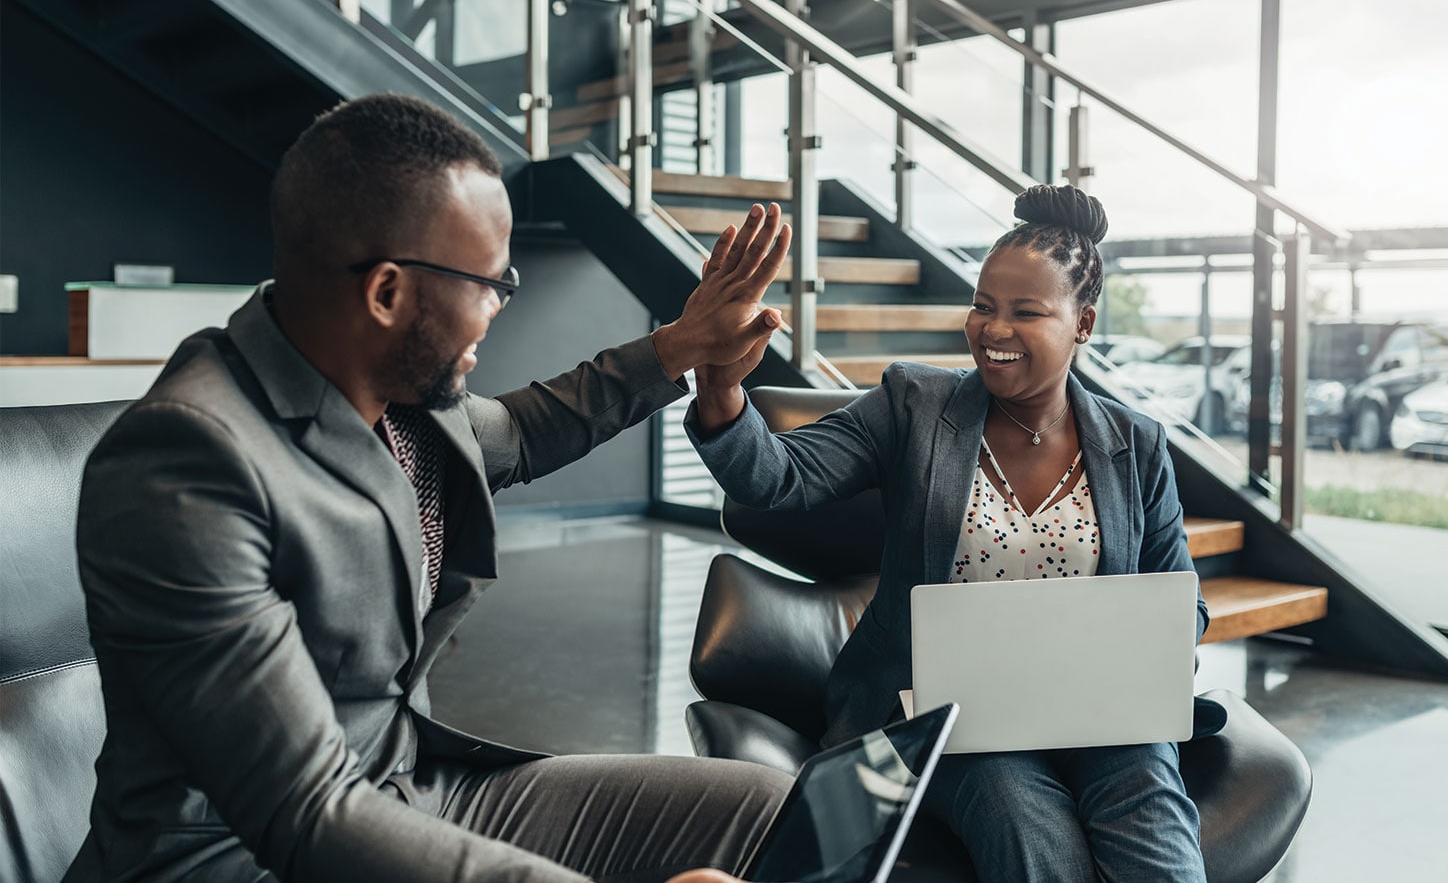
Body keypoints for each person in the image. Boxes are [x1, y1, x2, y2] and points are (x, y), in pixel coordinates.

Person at [67, 93, 793, 883]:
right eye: (490, 283)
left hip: (407, 791)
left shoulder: (399, 394)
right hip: (247, 855)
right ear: (387, 294)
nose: (496, 310)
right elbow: (306, 812)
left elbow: (521, 430)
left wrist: (684, 345)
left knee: (766, 813)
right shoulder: (183, 466)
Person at [686, 184, 1225, 882]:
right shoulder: (914, 405)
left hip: (1096, 712)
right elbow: (776, 478)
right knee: (1025, 827)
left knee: (1156, 829)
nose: (993, 331)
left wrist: (1152, 650)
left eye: (1026, 313)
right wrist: (720, 387)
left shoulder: (1136, 444)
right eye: (983, 307)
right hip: (945, 714)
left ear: (1083, 323)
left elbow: (1182, 601)